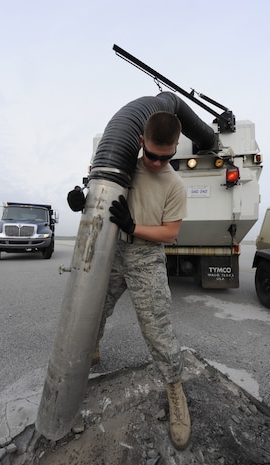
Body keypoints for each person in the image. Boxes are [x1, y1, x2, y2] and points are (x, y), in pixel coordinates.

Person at [67, 111, 190, 450]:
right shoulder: (123, 164)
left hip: (145, 256)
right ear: (141, 143)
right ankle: (89, 350)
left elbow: (170, 232)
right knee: (94, 308)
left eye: (165, 156)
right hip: (111, 250)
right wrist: (80, 199)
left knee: (157, 328)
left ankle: (175, 389)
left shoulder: (175, 185)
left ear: (175, 147)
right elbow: (96, 191)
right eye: (151, 154)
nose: (156, 162)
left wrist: (133, 227)